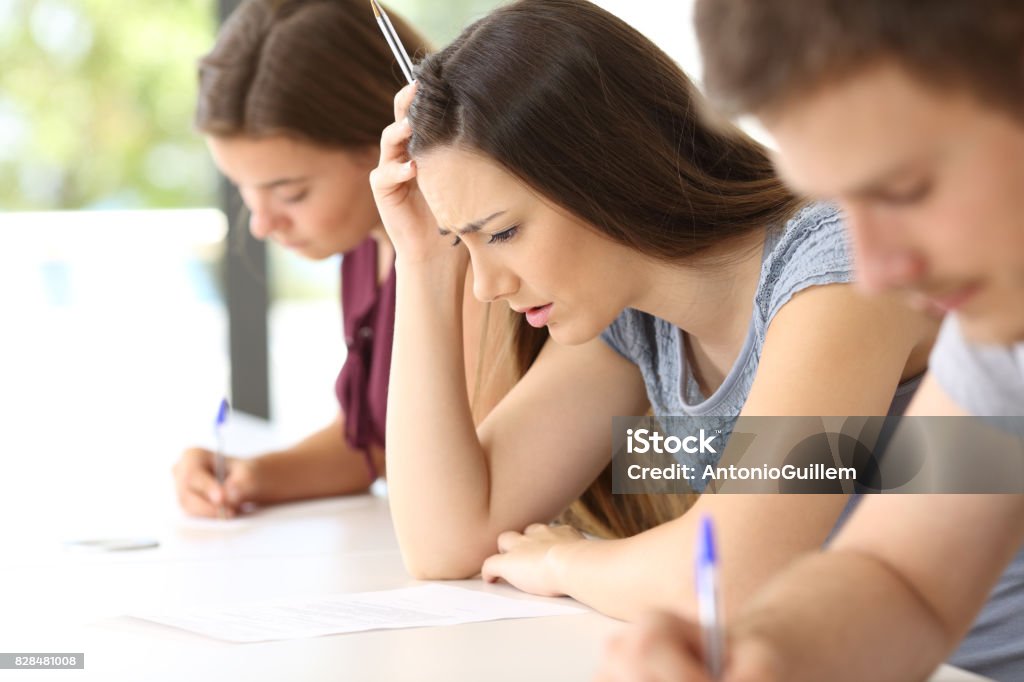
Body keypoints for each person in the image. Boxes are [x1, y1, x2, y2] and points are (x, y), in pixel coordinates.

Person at [369, 0, 937, 622]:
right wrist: (423, 260)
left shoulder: (840, 264)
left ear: (603, 169)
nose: (484, 286)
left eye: (501, 233)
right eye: (463, 242)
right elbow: (446, 541)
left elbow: (728, 573)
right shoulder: (635, 318)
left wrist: (564, 562)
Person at [596, 1, 1024, 680]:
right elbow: (901, 577)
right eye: (839, 204)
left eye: (905, 189)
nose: (877, 271)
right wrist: (767, 652)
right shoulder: (1003, 331)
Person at [171, 0, 519, 517]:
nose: (262, 224)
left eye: (290, 193)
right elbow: (375, 444)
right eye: (243, 189)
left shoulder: (470, 263)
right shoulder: (364, 246)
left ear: (391, 140)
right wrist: (252, 476)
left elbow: (470, 469)